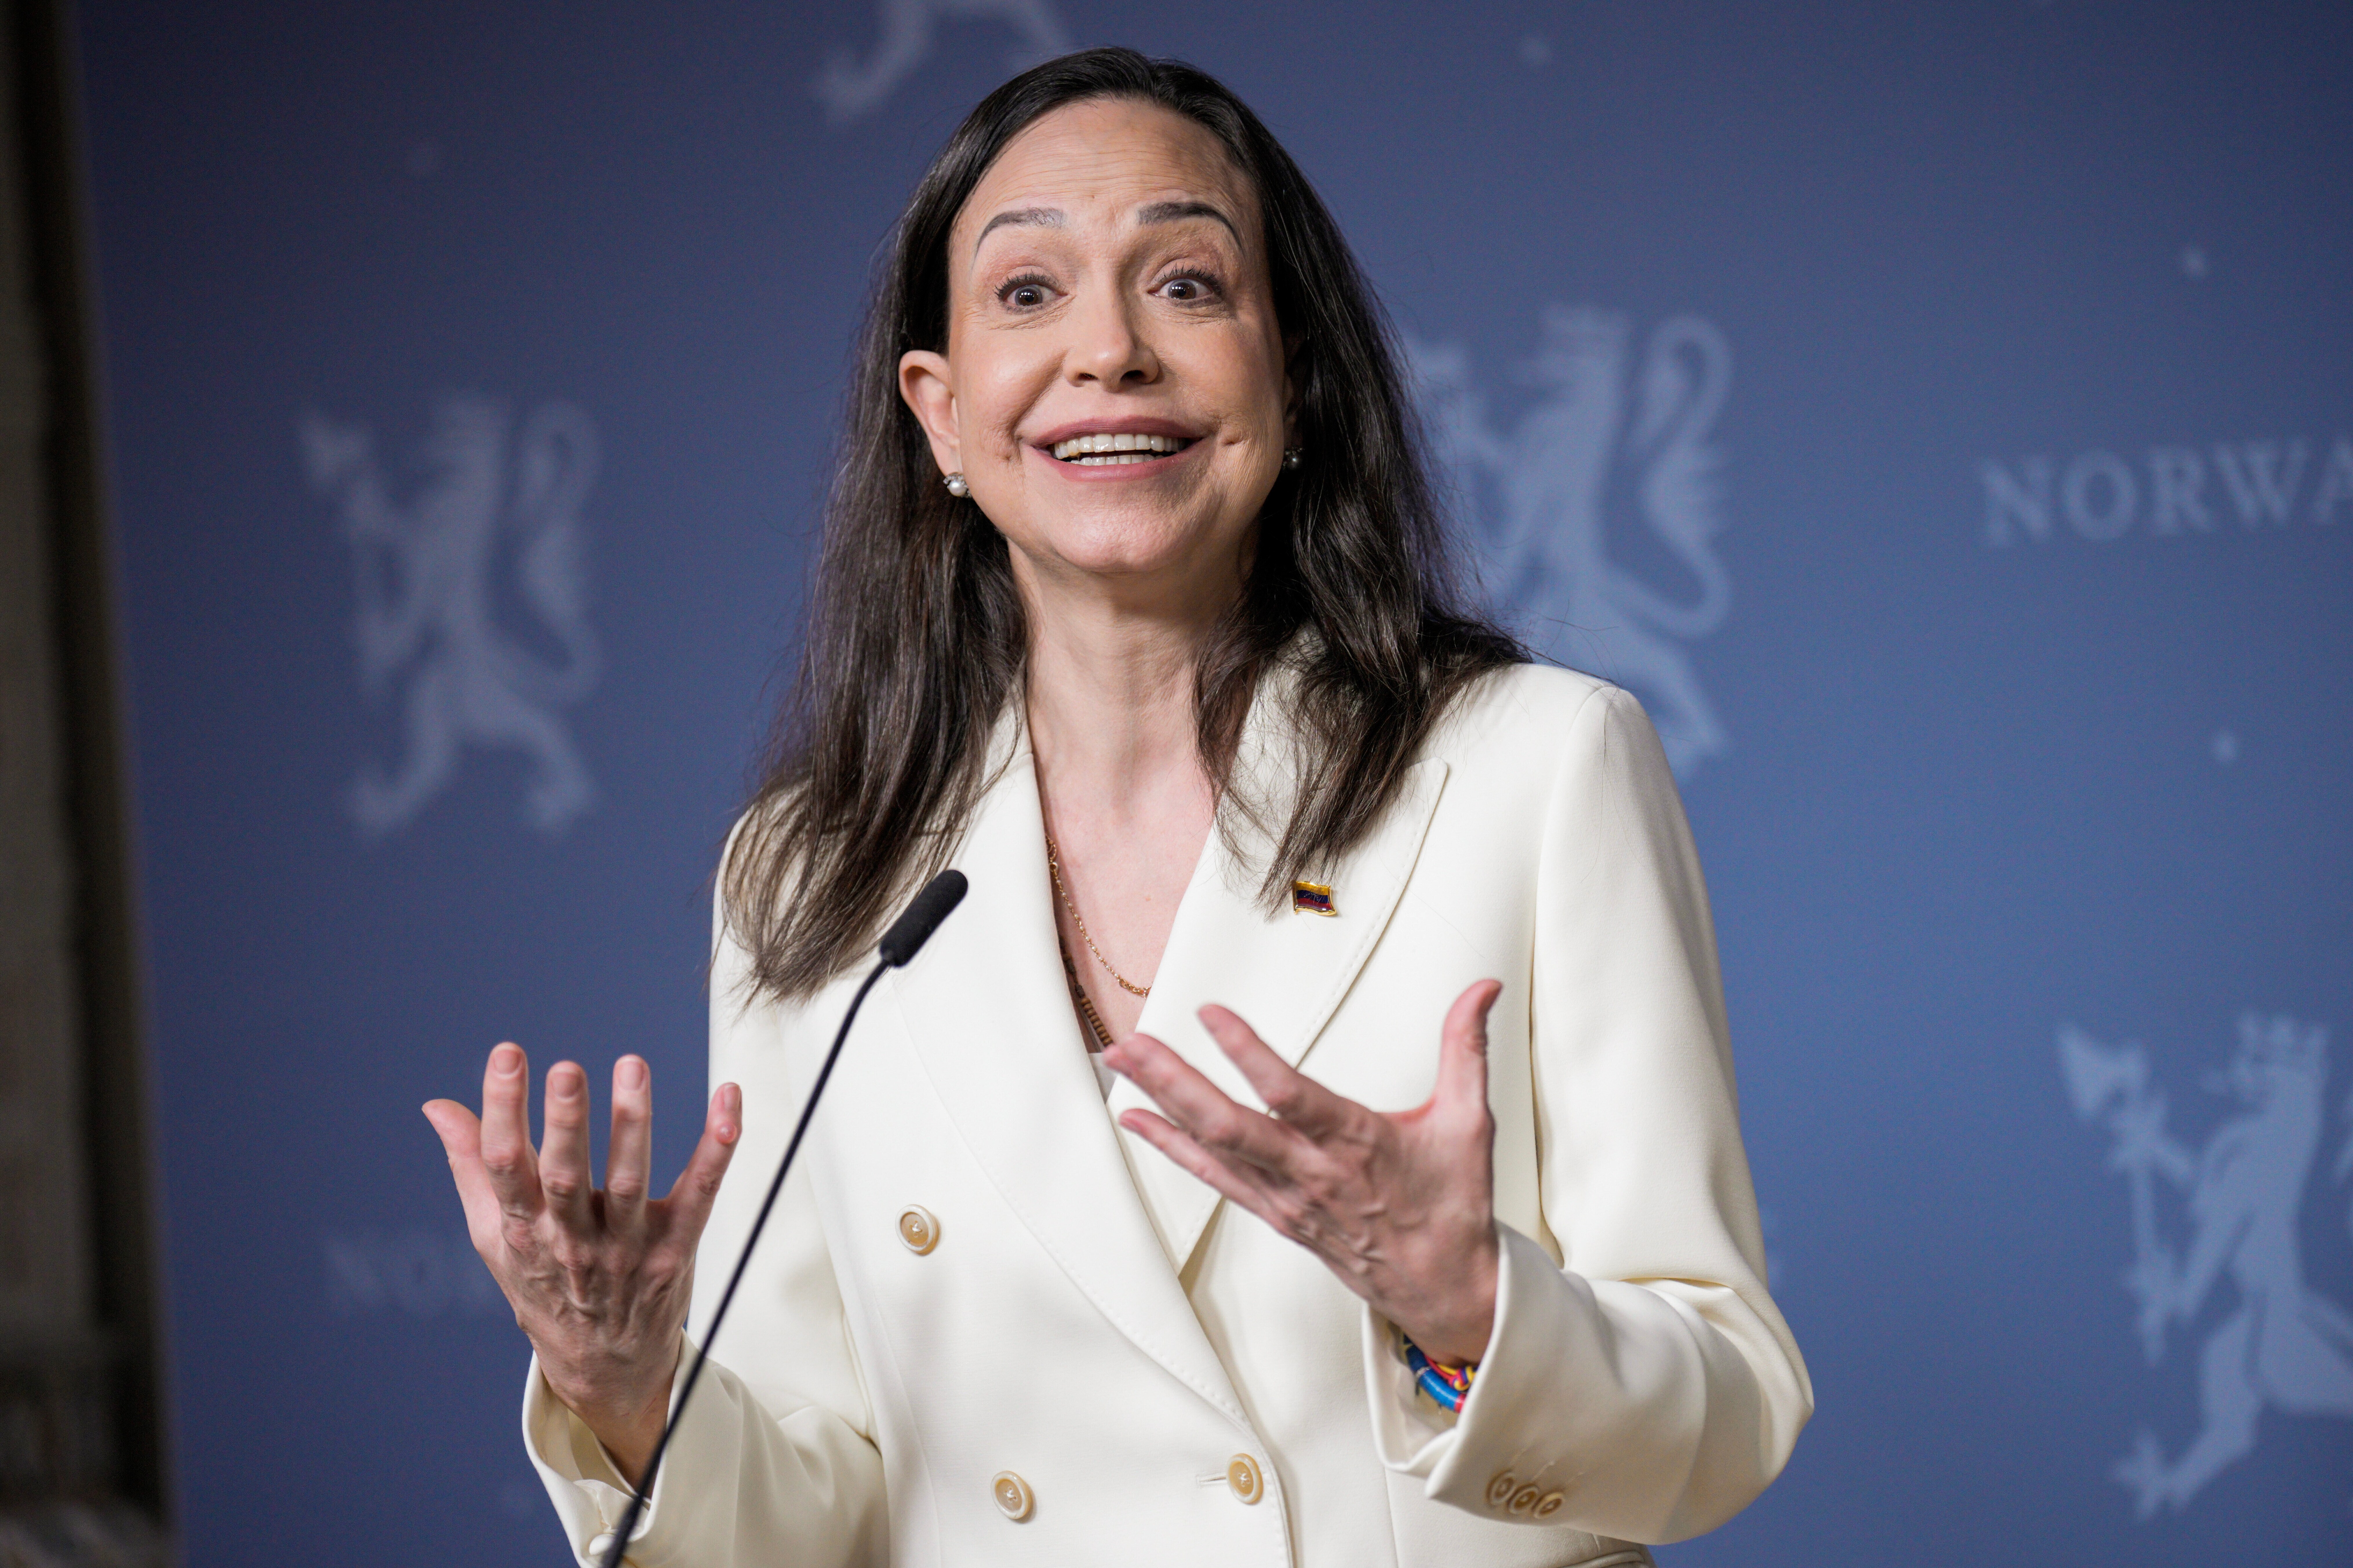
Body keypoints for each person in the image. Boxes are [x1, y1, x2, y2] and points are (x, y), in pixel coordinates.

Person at [423, 47, 1810, 1568]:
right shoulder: (810, 875)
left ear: (1293, 380)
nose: (1107, 351)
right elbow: (820, 1516)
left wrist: (1469, 1309)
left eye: (1187, 284)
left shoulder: (1534, 767)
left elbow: (1730, 1405)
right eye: (1028, 291)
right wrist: (628, 1397)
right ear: (942, 417)